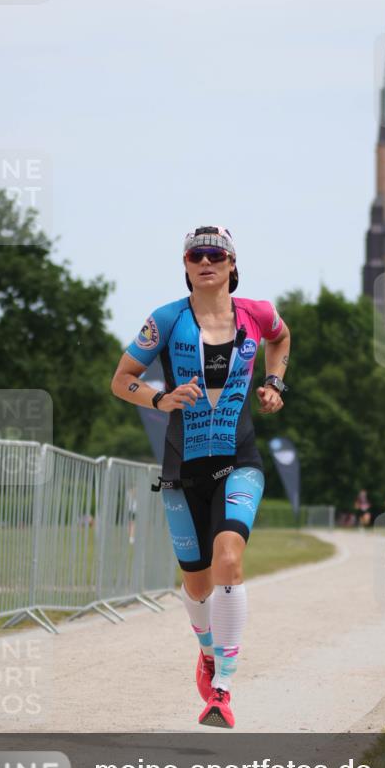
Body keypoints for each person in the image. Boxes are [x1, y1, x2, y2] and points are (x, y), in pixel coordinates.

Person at [111, 227, 290, 729]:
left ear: (233, 264)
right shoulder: (166, 319)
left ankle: (223, 690)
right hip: (182, 470)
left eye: (217, 254)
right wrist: (160, 399)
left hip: (240, 459)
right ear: (186, 264)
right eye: (197, 254)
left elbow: (281, 338)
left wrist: (275, 381)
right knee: (196, 584)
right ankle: (207, 653)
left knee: (229, 557)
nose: (206, 261)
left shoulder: (256, 313)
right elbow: (121, 378)